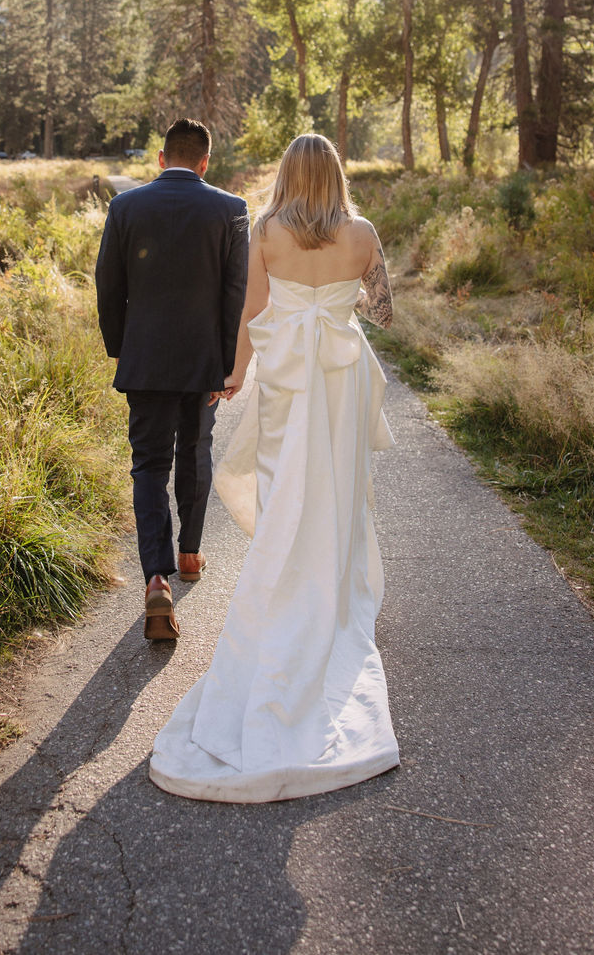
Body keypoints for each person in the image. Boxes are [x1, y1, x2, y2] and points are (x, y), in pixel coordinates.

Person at [149, 133, 399, 802]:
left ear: (290, 174)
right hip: (339, 381)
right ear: (337, 175)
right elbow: (385, 309)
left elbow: (250, 313)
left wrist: (234, 375)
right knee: (335, 490)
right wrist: (343, 301)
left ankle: (283, 575)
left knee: (284, 487)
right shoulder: (365, 232)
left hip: (288, 383)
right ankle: (328, 588)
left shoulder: (267, 229)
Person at [95, 118, 249, 641]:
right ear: (206, 162)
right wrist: (229, 364)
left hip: (146, 361)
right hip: (204, 359)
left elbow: (108, 287)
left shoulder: (124, 207)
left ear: (161, 158)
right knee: (197, 450)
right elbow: (236, 293)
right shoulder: (231, 210)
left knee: (149, 465)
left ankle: (156, 576)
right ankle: (190, 553)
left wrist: (124, 350)